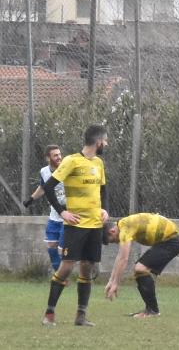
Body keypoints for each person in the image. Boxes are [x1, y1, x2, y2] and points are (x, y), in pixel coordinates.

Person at [40, 125, 109, 327]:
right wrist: (63, 212)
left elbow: (103, 191)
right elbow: (48, 187)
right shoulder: (71, 161)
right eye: (105, 140)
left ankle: (81, 316)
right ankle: (49, 314)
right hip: (76, 225)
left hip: (95, 225)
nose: (106, 144)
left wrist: (104, 210)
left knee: (87, 268)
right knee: (66, 267)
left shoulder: (99, 163)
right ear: (98, 142)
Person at [103, 213, 179, 317]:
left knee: (140, 268)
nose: (116, 242)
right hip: (167, 241)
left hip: (171, 241)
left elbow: (123, 259)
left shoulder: (125, 228)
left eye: (113, 240)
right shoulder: (123, 225)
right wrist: (111, 280)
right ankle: (150, 310)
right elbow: (120, 256)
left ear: (112, 231)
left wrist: (116, 283)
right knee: (139, 270)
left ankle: (152, 311)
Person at [23, 145, 66, 271]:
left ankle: (63, 274)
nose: (59, 157)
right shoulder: (44, 172)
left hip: (68, 214)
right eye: (55, 155)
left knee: (62, 248)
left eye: (59, 154)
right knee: (51, 245)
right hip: (54, 215)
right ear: (48, 158)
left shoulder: (67, 169)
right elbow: (43, 187)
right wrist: (31, 199)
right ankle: (58, 274)